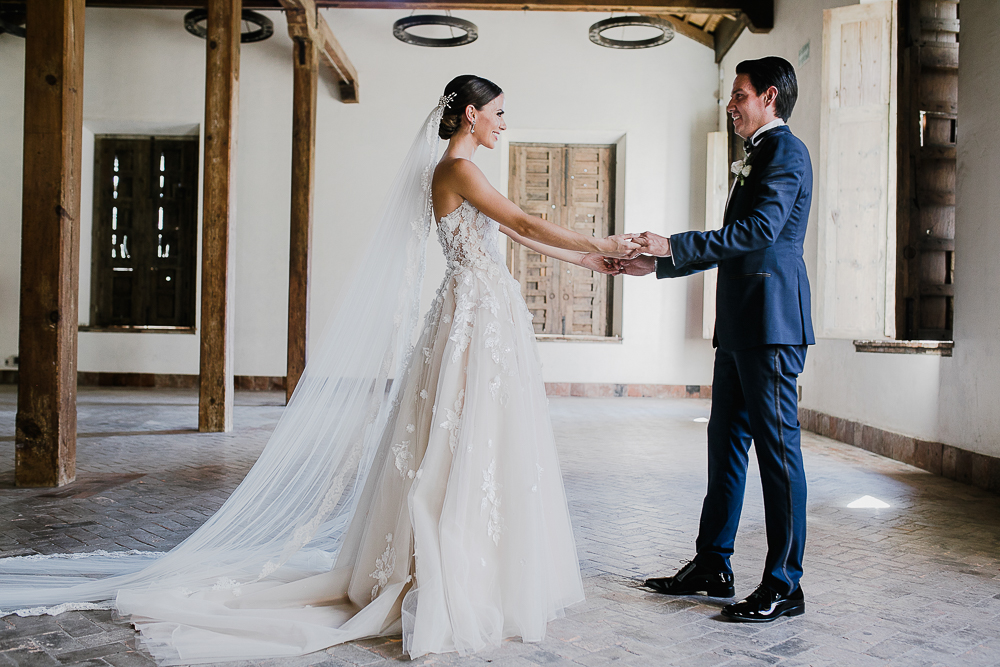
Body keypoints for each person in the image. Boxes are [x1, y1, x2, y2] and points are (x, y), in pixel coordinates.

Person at [0, 75, 639, 663]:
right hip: (471, 317)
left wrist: (590, 264)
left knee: (484, 440)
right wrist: (605, 242)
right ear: (470, 115)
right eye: (498, 113)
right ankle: (443, 568)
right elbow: (525, 219)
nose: (504, 122)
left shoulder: (470, 172)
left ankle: (480, 565)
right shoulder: (457, 168)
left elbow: (517, 236)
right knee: (456, 437)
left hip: (485, 313)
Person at [617, 56, 814, 622]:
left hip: (772, 327)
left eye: (740, 96)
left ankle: (785, 582)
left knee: (778, 456)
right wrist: (656, 266)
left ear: (769, 98)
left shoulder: (786, 151)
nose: (731, 105)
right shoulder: (758, 154)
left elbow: (757, 233)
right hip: (738, 328)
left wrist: (671, 245)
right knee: (725, 445)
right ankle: (713, 564)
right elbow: (736, 242)